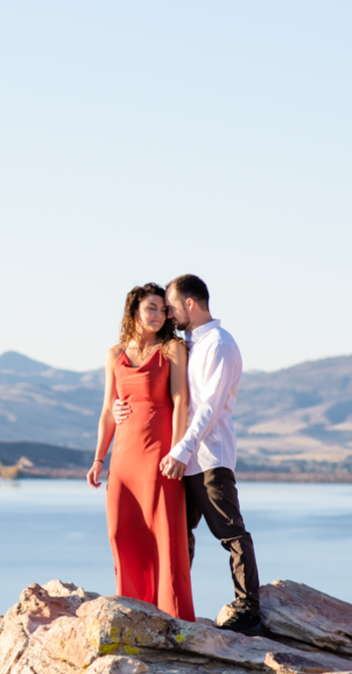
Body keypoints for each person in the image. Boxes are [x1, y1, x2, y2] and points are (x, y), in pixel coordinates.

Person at [114, 273, 264, 636]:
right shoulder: (188, 344)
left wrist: (180, 449)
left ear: (190, 305)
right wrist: (122, 405)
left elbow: (208, 409)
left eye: (171, 307)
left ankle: (248, 609)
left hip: (210, 459)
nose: (168, 315)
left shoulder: (219, 346)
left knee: (230, 533)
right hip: (185, 460)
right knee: (179, 535)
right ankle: (169, 605)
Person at [87, 284, 195, 621]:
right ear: (134, 309)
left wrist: (178, 450)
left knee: (163, 534)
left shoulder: (172, 348)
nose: (159, 315)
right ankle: (134, 613)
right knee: (122, 532)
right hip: (124, 457)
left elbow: (181, 400)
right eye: (151, 308)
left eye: (163, 310)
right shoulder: (114, 354)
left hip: (159, 453)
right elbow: (108, 410)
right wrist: (98, 458)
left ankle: (172, 617)